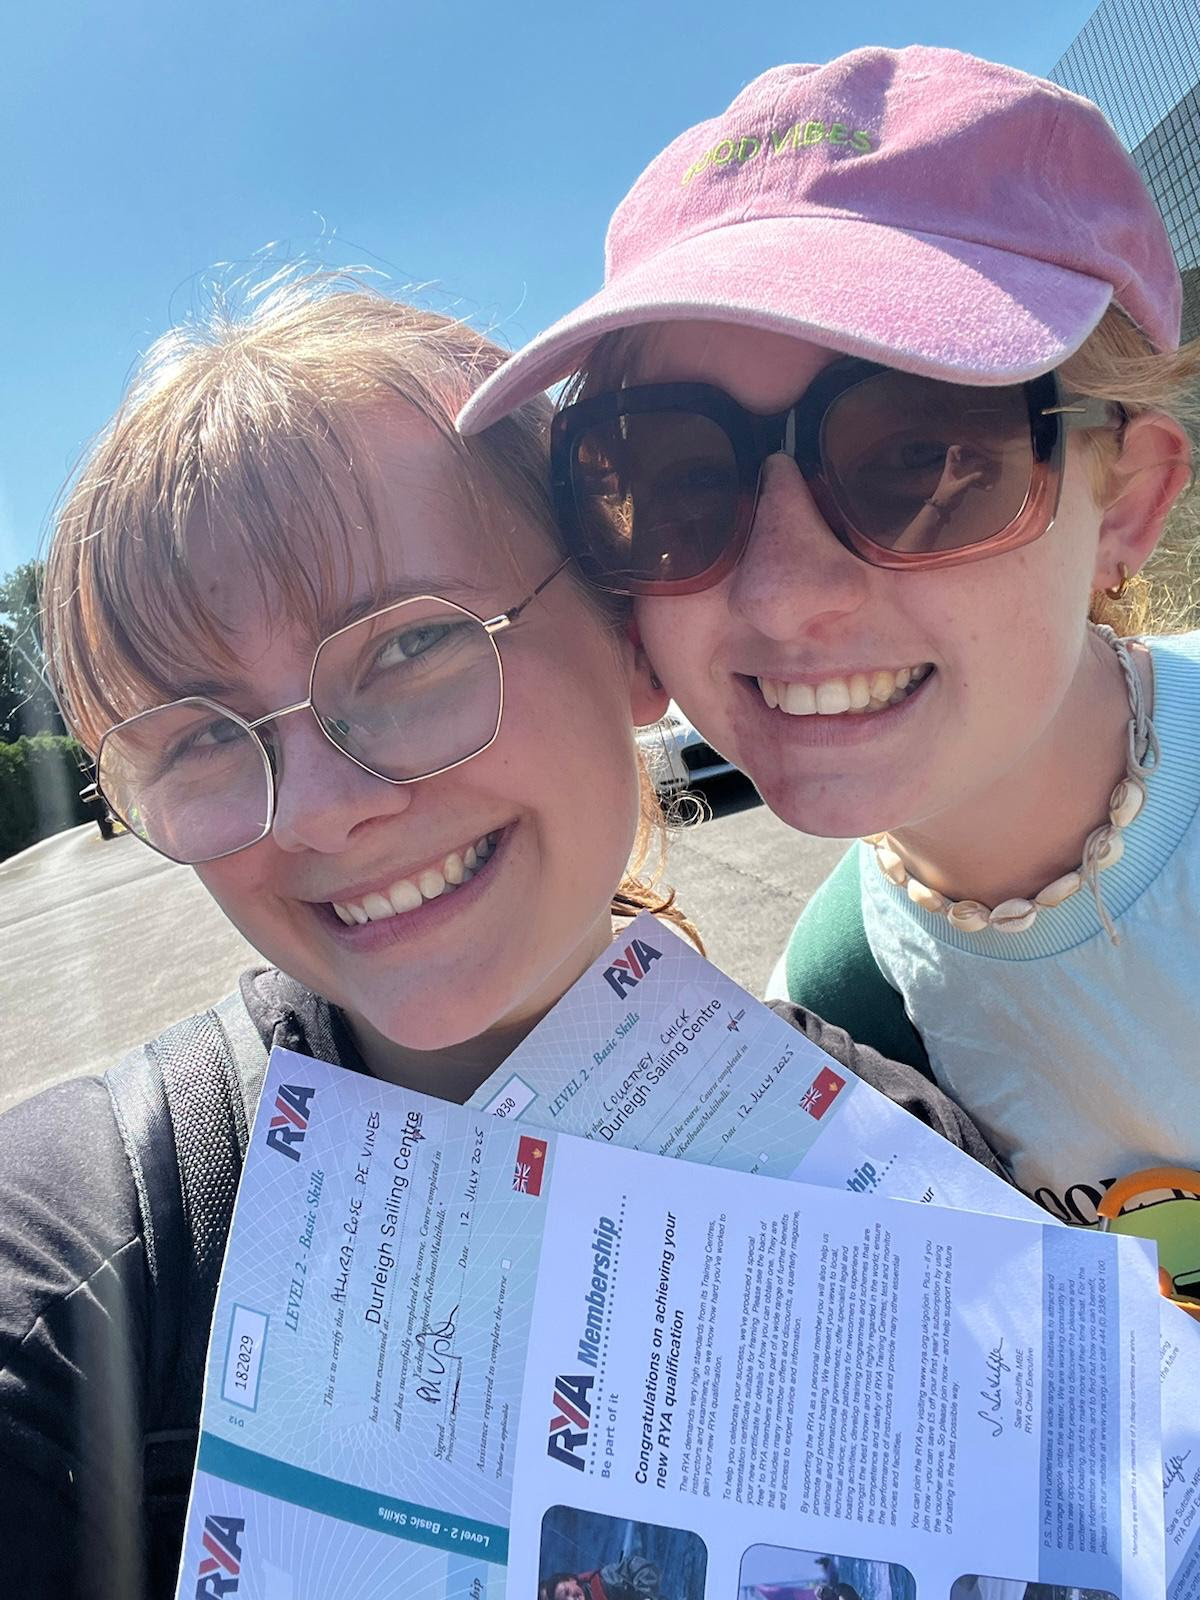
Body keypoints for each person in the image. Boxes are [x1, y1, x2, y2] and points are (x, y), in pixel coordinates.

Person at [0, 276, 1001, 1600]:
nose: (321, 812)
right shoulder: (88, 1278)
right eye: (196, 739)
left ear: (631, 640)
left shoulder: (918, 1174)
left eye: (409, 647)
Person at [458, 45, 1200, 1228]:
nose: (781, 595)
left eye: (922, 455)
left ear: (1124, 501)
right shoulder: (831, 1031)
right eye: (677, 479)